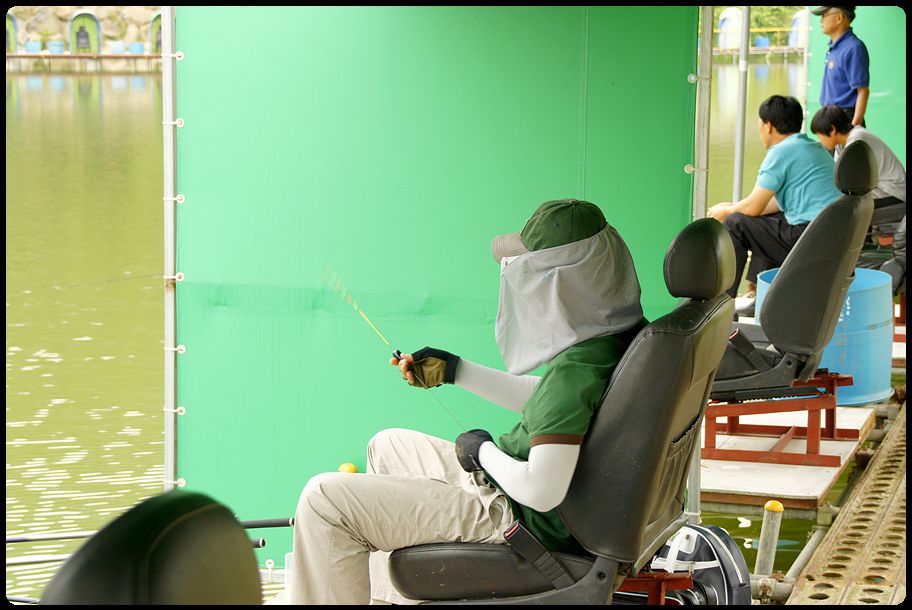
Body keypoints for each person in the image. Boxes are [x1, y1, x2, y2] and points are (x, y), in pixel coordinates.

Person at [279, 199, 646, 604]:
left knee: (324, 500)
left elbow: (542, 489)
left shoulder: (578, 366)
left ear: (554, 282)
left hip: (517, 517)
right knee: (386, 444)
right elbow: (555, 403)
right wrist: (456, 370)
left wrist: (482, 451)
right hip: (520, 498)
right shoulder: (614, 342)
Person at [708, 95, 842, 316]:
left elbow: (753, 207)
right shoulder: (810, 147)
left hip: (810, 239)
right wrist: (733, 205)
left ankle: (722, 310)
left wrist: (727, 210)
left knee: (735, 224)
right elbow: (767, 205)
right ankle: (762, 297)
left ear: (768, 126)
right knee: (756, 222)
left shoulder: (781, 151)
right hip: (828, 236)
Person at [810, 104, 906, 209]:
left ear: (832, 130)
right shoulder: (841, 144)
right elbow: (837, 176)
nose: (819, 140)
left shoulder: (857, 138)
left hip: (892, 190)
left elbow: (846, 181)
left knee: (844, 203)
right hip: (879, 188)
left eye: (819, 134)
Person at [812, 6, 869, 127]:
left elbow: (863, 91)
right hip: (830, 117)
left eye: (824, 15)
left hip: (845, 119)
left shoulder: (853, 48)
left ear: (839, 17)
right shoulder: (835, 47)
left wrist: (853, 128)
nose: (821, 21)